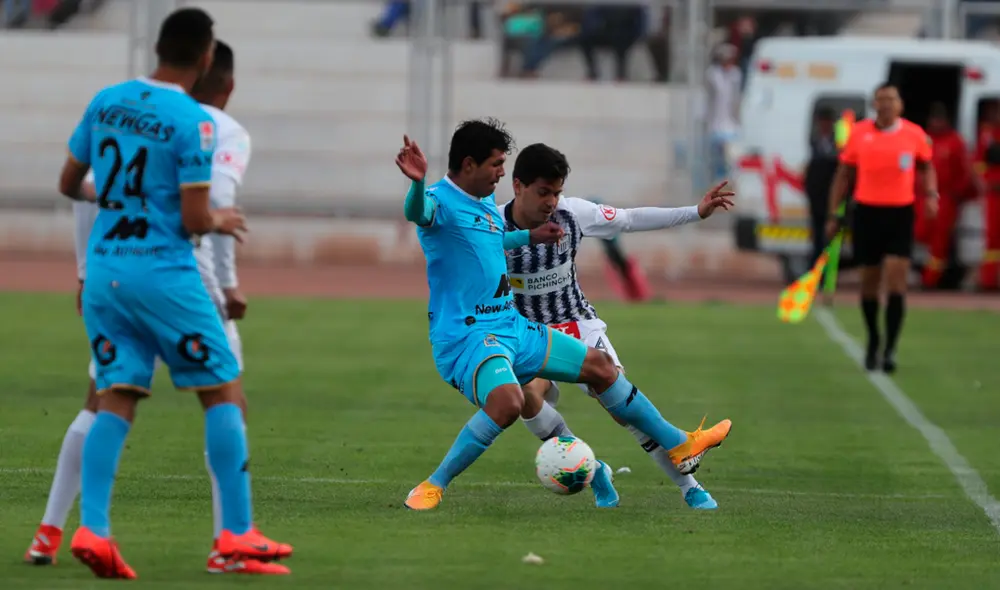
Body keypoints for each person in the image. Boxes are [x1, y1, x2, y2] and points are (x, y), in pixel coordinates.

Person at [55, 8, 290, 578]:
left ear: (158, 48)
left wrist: (116, 197)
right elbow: (190, 218)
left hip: (106, 274)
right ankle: (235, 535)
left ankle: (95, 529)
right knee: (224, 391)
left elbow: (69, 185)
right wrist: (221, 218)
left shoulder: (106, 99)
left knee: (118, 396)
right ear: (206, 57)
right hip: (163, 274)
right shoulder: (195, 121)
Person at [395, 119, 733, 511]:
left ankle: (679, 445)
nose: (502, 172)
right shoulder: (438, 200)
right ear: (469, 164)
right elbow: (418, 212)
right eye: (496, 164)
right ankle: (434, 484)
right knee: (510, 402)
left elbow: (488, 239)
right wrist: (417, 183)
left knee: (603, 368)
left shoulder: (488, 201)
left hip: (517, 326)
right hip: (469, 336)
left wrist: (527, 237)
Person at [501, 143, 735, 510]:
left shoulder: (572, 214)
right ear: (518, 186)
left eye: (557, 192)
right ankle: (593, 470)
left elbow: (628, 219)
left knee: (621, 409)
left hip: (578, 326)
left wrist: (696, 212)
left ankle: (689, 486)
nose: (551, 201)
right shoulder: (494, 226)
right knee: (523, 398)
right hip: (529, 334)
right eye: (543, 192)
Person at [826, 83, 939, 374]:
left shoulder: (914, 135)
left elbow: (927, 167)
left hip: (900, 213)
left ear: (900, 105)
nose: (887, 104)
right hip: (867, 213)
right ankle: (874, 338)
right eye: (881, 100)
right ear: (875, 104)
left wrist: (930, 195)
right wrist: (833, 214)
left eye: (891, 99)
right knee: (869, 282)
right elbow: (843, 175)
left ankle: (890, 348)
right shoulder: (859, 134)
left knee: (897, 278)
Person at [920, 103, 975, 289]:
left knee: (940, 240)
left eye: (939, 119)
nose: (935, 123)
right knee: (921, 233)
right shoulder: (924, 140)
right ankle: (926, 272)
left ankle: (931, 280)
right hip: (923, 196)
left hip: (945, 197)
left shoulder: (955, 142)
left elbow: (965, 172)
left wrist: (956, 194)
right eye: (933, 119)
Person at [803, 107, 839, 268]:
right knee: (817, 235)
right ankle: (817, 269)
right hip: (817, 198)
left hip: (831, 197)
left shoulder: (837, 143)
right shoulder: (815, 142)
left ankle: (828, 268)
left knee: (830, 235)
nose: (824, 125)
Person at [974, 99, 1000, 291]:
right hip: (994, 192)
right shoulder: (988, 134)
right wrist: (984, 182)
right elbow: (979, 163)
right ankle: (989, 281)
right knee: (992, 238)